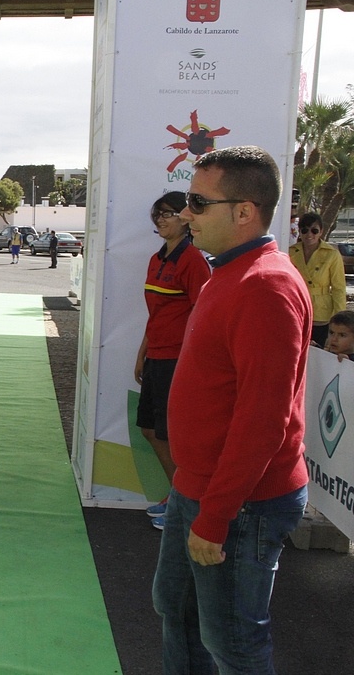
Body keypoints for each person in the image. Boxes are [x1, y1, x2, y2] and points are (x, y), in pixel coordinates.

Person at [154, 145, 311, 674]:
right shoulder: (231, 271)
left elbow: (263, 421)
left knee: (233, 643)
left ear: (244, 211)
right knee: (177, 611)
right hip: (200, 488)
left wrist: (216, 516)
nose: (184, 214)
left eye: (198, 202)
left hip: (239, 503)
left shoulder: (264, 285)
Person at [134, 192, 210, 532]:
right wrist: (142, 353)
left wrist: (192, 364)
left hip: (178, 360)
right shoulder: (156, 258)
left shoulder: (193, 261)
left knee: (174, 436)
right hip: (156, 357)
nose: (162, 220)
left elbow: (204, 316)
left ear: (186, 218)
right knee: (150, 430)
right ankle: (177, 496)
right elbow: (157, 314)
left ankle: (186, 507)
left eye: (168, 214)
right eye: (158, 215)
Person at [288, 212, 345, 348]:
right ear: (299, 232)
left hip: (321, 313)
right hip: (297, 307)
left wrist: (340, 319)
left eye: (314, 230)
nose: (309, 235)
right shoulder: (290, 252)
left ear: (321, 232)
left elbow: (339, 288)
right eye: (305, 230)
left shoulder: (332, 254)